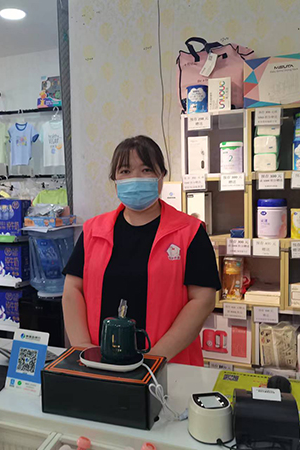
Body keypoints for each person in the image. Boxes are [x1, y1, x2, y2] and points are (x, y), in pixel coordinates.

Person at [62, 135, 221, 366]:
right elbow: (72, 290)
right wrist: (84, 349)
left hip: (169, 366)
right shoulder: (93, 230)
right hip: (99, 365)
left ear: (161, 175)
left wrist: (156, 358)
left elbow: (202, 300)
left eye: (146, 170)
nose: (135, 178)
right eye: (125, 171)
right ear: (115, 179)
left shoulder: (190, 232)